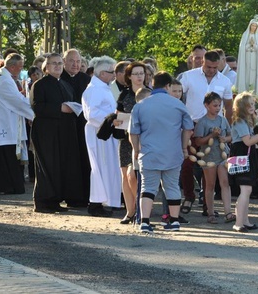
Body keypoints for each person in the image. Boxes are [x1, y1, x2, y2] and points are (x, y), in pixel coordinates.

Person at [130, 71, 194, 234]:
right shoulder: (178, 105)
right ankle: (174, 221)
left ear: (152, 84)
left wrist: (136, 149)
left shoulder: (140, 105)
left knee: (148, 186)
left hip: (149, 152)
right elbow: (188, 128)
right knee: (172, 185)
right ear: (168, 86)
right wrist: (184, 147)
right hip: (172, 152)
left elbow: (133, 132)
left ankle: (144, 221)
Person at [178, 49, 234, 214]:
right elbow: (178, 97)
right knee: (187, 163)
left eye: (215, 67)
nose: (211, 70)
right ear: (202, 62)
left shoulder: (224, 80)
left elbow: (229, 106)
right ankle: (189, 196)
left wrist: (226, 126)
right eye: (209, 67)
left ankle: (207, 204)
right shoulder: (189, 76)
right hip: (192, 124)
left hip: (215, 126)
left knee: (211, 164)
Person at [29, 53, 87, 213]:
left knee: (59, 167)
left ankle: (54, 200)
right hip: (46, 133)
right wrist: (60, 108)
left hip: (64, 132)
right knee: (47, 166)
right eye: (54, 64)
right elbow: (37, 107)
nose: (57, 66)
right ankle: (42, 202)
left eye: (60, 64)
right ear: (46, 67)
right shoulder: (40, 85)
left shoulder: (66, 85)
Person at [0, 53, 35, 195]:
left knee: (8, 158)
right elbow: (17, 101)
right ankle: (6, 187)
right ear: (12, 67)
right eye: (20, 67)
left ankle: (8, 186)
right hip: (4, 127)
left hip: (5, 125)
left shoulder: (3, 78)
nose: (21, 69)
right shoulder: (4, 81)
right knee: (7, 159)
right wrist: (36, 113)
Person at [81, 56, 121, 217]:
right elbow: (92, 114)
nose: (114, 75)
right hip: (99, 133)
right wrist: (112, 118)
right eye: (112, 72)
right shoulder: (95, 89)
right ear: (102, 73)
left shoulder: (103, 87)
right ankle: (96, 203)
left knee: (108, 167)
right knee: (100, 167)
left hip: (107, 133)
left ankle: (108, 201)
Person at [230, 92, 258, 232]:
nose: (252, 107)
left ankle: (244, 220)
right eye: (249, 105)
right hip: (241, 155)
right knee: (245, 189)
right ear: (242, 107)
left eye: (253, 104)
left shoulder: (245, 121)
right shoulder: (240, 122)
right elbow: (248, 141)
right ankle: (238, 222)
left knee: (247, 189)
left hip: (246, 155)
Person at [115, 61, 147, 224]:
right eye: (136, 73)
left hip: (145, 140)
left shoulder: (150, 93)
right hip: (125, 138)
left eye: (142, 73)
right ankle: (130, 211)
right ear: (129, 76)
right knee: (125, 175)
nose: (139, 76)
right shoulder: (124, 95)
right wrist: (116, 121)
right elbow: (118, 115)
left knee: (134, 175)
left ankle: (142, 209)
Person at [193, 92, 232, 225]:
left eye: (219, 105)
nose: (218, 108)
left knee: (225, 182)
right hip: (209, 157)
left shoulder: (223, 120)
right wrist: (211, 135)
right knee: (210, 185)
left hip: (222, 155)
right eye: (215, 105)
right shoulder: (202, 122)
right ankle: (210, 212)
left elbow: (230, 136)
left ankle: (228, 212)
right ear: (206, 105)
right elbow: (198, 142)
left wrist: (224, 138)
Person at [60, 48, 92, 205]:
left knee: (85, 160)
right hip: (65, 127)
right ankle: (71, 196)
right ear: (64, 62)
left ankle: (86, 195)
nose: (75, 64)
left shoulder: (86, 79)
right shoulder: (59, 79)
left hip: (83, 126)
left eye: (78, 61)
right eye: (72, 61)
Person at [236, 18, 258, 94]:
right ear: (250, 26)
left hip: (255, 59)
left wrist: (254, 45)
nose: (253, 27)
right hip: (247, 58)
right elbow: (242, 48)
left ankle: (254, 92)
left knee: (254, 75)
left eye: (255, 26)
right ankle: (245, 91)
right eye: (252, 25)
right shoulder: (245, 35)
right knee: (247, 74)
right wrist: (249, 45)